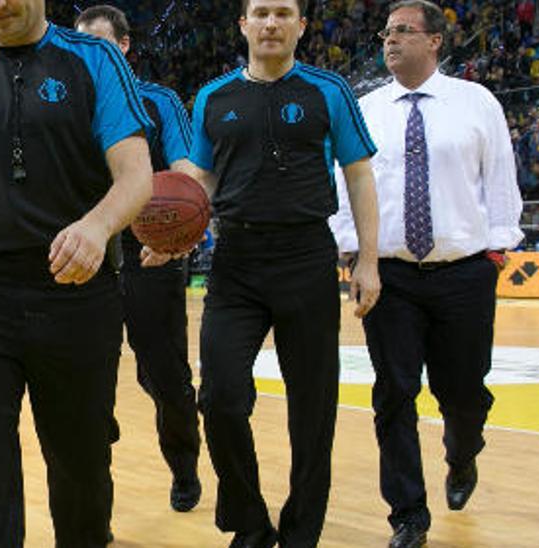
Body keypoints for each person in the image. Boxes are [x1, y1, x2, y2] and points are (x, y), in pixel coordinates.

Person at [0, 0, 155, 545]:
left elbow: (136, 175)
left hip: (74, 293)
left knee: (81, 470)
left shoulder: (95, 61)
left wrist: (96, 228)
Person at [144, 0, 383, 545]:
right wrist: (172, 235)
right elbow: (200, 181)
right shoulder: (212, 96)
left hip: (307, 257)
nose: (271, 23)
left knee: (312, 411)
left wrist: (366, 259)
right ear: (243, 25)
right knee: (220, 398)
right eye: (261, 12)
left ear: (300, 25)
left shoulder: (329, 90)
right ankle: (249, 524)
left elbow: (360, 174)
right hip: (237, 262)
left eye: (283, 13)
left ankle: (301, 531)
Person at [330, 2, 523, 546]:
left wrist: (498, 246)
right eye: (386, 33)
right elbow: (343, 185)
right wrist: (352, 254)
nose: (390, 41)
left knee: (463, 394)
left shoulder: (476, 102)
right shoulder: (365, 109)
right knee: (394, 393)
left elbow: (501, 177)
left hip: (464, 273)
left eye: (404, 31)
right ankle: (408, 514)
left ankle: (462, 457)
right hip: (389, 275)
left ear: (435, 40)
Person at [75, 4, 203, 513]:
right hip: (83, 253)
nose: (91, 58)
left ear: (124, 47)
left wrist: (174, 237)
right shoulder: (65, 106)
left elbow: (187, 171)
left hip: (149, 248)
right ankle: (92, 505)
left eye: (102, 46)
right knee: (82, 381)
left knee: (165, 377)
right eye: (83, 48)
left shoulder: (158, 101)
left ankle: (185, 465)